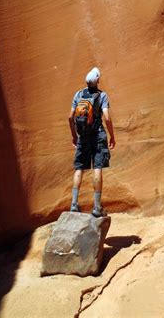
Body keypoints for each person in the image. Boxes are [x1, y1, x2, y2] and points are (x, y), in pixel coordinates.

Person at [68, 67, 116, 217]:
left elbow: (70, 117)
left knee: (79, 168)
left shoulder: (78, 94)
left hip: (83, 135)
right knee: (97, 167)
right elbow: (107, 117)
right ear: (98, 81)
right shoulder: (102, 96)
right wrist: (112, 136)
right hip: (97, 135)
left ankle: (74, 204)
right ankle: (96, 207)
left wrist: (75, 136)